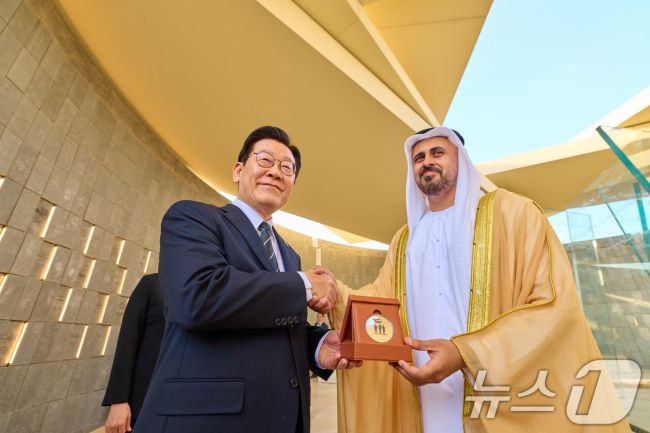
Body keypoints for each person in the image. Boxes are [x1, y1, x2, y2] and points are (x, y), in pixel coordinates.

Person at [329, 127, 631, 433]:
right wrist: (336, 294)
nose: (426, 162)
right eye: (418, 158)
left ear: (462, 160)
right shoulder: (405, 239)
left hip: (495, 391)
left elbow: (552, 304)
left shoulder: (513, 214)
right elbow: (380, 303)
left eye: (437, 153)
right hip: (422, 395)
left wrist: (466, 353)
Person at [134, 126, 360, 433]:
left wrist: (317, 346)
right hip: (206, 420)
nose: (276, 172)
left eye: (287, 168)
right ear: (238, 171)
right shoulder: (193, 218)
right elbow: (198, 297)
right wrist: (304, 285)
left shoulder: (290, 255)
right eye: (265, 160)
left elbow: (273, 321)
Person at [102, 273, 165, 433]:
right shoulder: (151, 284)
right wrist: (119, 400)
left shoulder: (207, 291)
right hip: (141, 404)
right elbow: (127, 342)